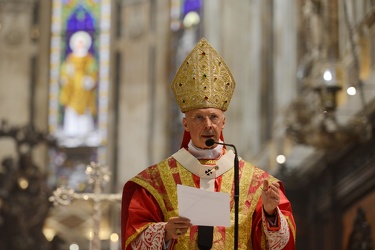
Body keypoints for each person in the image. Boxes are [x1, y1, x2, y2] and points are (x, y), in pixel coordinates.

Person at [121, 38, 296, 249]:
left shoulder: (257, 183)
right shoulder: (156, 181)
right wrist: (165, 232)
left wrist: (270, 213)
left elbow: (281, 244)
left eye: (213, 117)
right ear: (185, 124)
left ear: (223, 121)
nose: (208, 125)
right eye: (198, 118)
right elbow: (134, 239)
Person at [59, 30, 98, 140]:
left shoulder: (89, 60)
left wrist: (90, 80)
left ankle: (84, 133)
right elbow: (65, 72)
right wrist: (65, 79)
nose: (80, 45)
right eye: (78, 43)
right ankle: (71, 133)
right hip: (72, 89)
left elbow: (93, 71)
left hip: (85, 90)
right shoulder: (70, 60)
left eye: (82, 43)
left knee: (85, 113)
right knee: (71, 111)